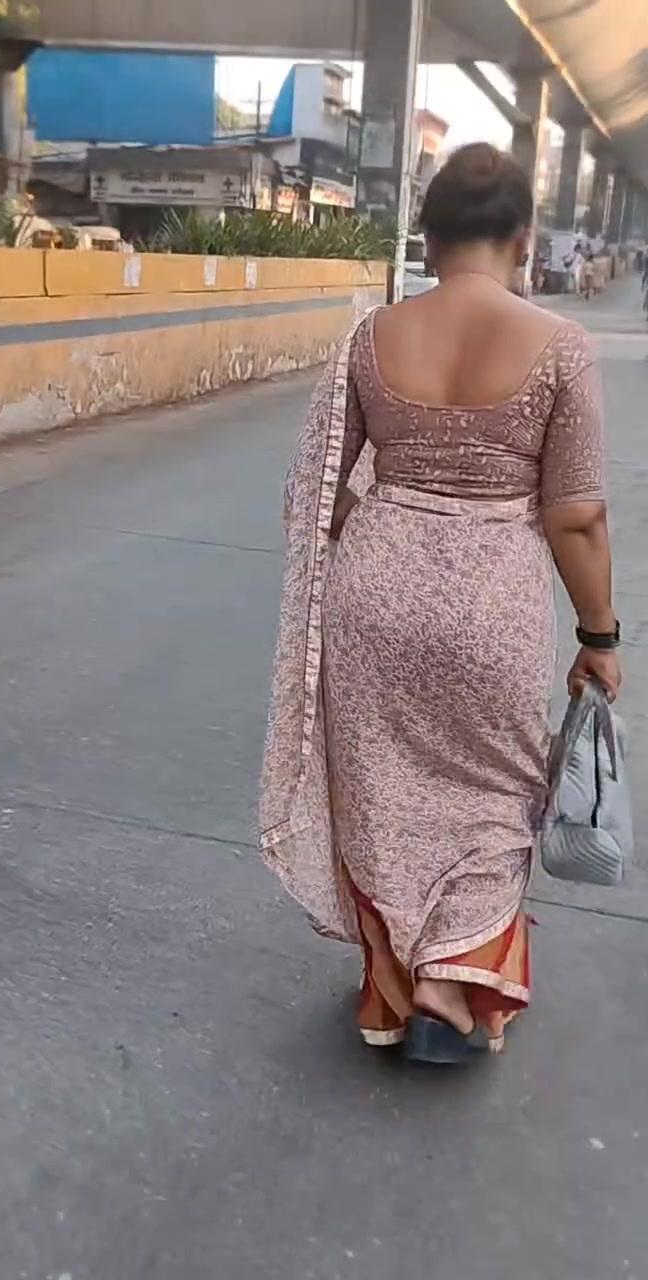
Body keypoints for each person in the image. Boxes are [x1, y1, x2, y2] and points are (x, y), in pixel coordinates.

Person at [260, 143, 620, 1064]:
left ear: (427, 235)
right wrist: (600, 635)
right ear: (525, 238)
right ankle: (448, 986)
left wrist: (388, 529)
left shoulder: (369, 337)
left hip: (375, 597)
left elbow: (318, 485)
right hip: (494, 607)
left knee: (385, 791)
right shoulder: (560, 346)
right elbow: (576, 516)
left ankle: (393, 991)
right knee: (495, 793)